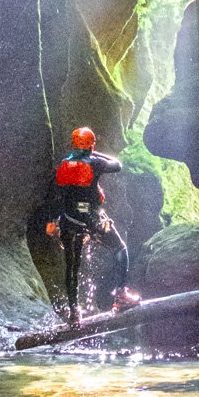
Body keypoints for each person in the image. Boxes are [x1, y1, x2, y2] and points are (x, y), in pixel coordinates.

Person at [47, 126, 140, 325]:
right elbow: (117, 165)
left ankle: (74, 312)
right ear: (91, 145)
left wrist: (52, 220)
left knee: (72, 266)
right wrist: (93, 151)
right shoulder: (95, 162)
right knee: (120, 249)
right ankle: (121, 295)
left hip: (69, 219)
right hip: (92, 218)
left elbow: (58, 195)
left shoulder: (64, 164)